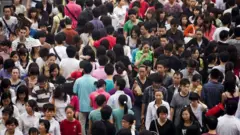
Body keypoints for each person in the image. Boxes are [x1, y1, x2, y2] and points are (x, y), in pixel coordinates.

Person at [73, 60, 97, 135]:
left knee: (81, 124)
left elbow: (74, 91)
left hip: (81, 105)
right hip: (92, 106)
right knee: (92, 124)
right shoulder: (95, 80)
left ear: (83, 70)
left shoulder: (78, 80)